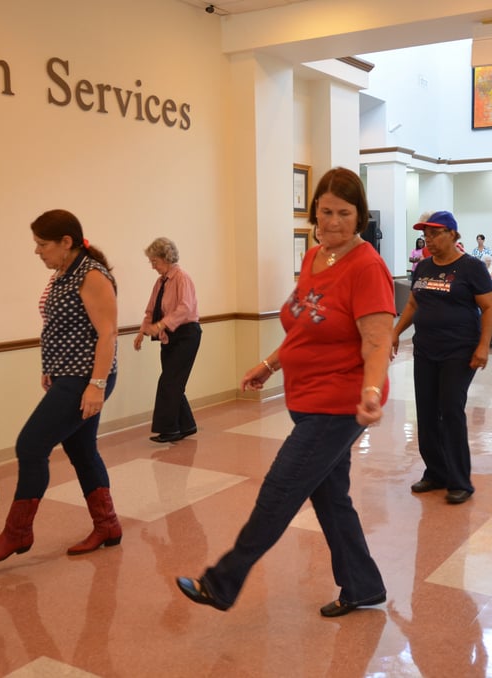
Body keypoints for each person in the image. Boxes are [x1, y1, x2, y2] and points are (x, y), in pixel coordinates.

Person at [175, 167, 394, 617]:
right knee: (331, 498)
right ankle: (363, 585)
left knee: (280, 490)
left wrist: (371, 391)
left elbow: (377, 341)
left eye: (345, 214)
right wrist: (270, 364)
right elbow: (303, 325)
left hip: (339, 404)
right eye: (326, 211)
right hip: (305, 397)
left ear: (361, 217)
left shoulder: (367, 267)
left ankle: (222, 582)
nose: (333, 222)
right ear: (315, 209)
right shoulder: (316, 258)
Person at [0, 209, 120, 562]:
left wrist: (96, 386)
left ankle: (17, 533)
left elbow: (107, 332)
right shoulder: (64, 272)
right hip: (67, 374)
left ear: (66, 242)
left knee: (30, 445)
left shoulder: (91, 274)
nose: (37, 251)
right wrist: (50, 366)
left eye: (42, 244)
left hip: (86, 377)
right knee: (82, 451)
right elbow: (61, 326)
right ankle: (108, 525)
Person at [393, 210, 492, 504]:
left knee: (450, 410)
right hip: (425, 349)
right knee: (425, 412)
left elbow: (489, 308)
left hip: (459, 350)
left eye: (436, 233)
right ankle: (435, 472)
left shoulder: (471, 267)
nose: (430, 239)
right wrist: (395, 331)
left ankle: (459, 480)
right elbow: (413, 303)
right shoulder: (423, 267)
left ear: (453, 234)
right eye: (427, 235)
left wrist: (483, 346)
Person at [134, 238, 201, 443]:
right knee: (173, 382)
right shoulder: (160, 282)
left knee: (169, 382)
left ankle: (170, 430)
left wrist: (161, 325)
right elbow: (151, 309)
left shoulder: (182, 278)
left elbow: (185, 308)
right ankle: (187, 425)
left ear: (166, 257)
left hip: (186, 335)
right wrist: (142, 332)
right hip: (170, 336)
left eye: (155, 261)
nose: (153, 266)